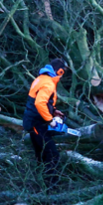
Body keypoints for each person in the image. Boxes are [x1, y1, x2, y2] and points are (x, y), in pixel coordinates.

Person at [22, 58, 68, 188]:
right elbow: (39, 103)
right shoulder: (48, 84)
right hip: (37, 123)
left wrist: (53, 111)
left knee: (41, 154)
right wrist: (50, 120)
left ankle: (39, 184)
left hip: (34, 121)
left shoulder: (41, 79)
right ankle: (49, 187)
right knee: (52, 155)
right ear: (59, 71)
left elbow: (40, 101)